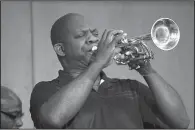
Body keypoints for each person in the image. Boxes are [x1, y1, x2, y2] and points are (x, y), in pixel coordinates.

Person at [30, 13, 190, 129]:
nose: (93, 39)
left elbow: (181, 122)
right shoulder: (46, 90)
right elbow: (54, 118)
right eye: (81, 35)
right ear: (61, 49)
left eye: (94, 33)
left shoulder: (131, 89)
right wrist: (98, 63)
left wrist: (147, 70)